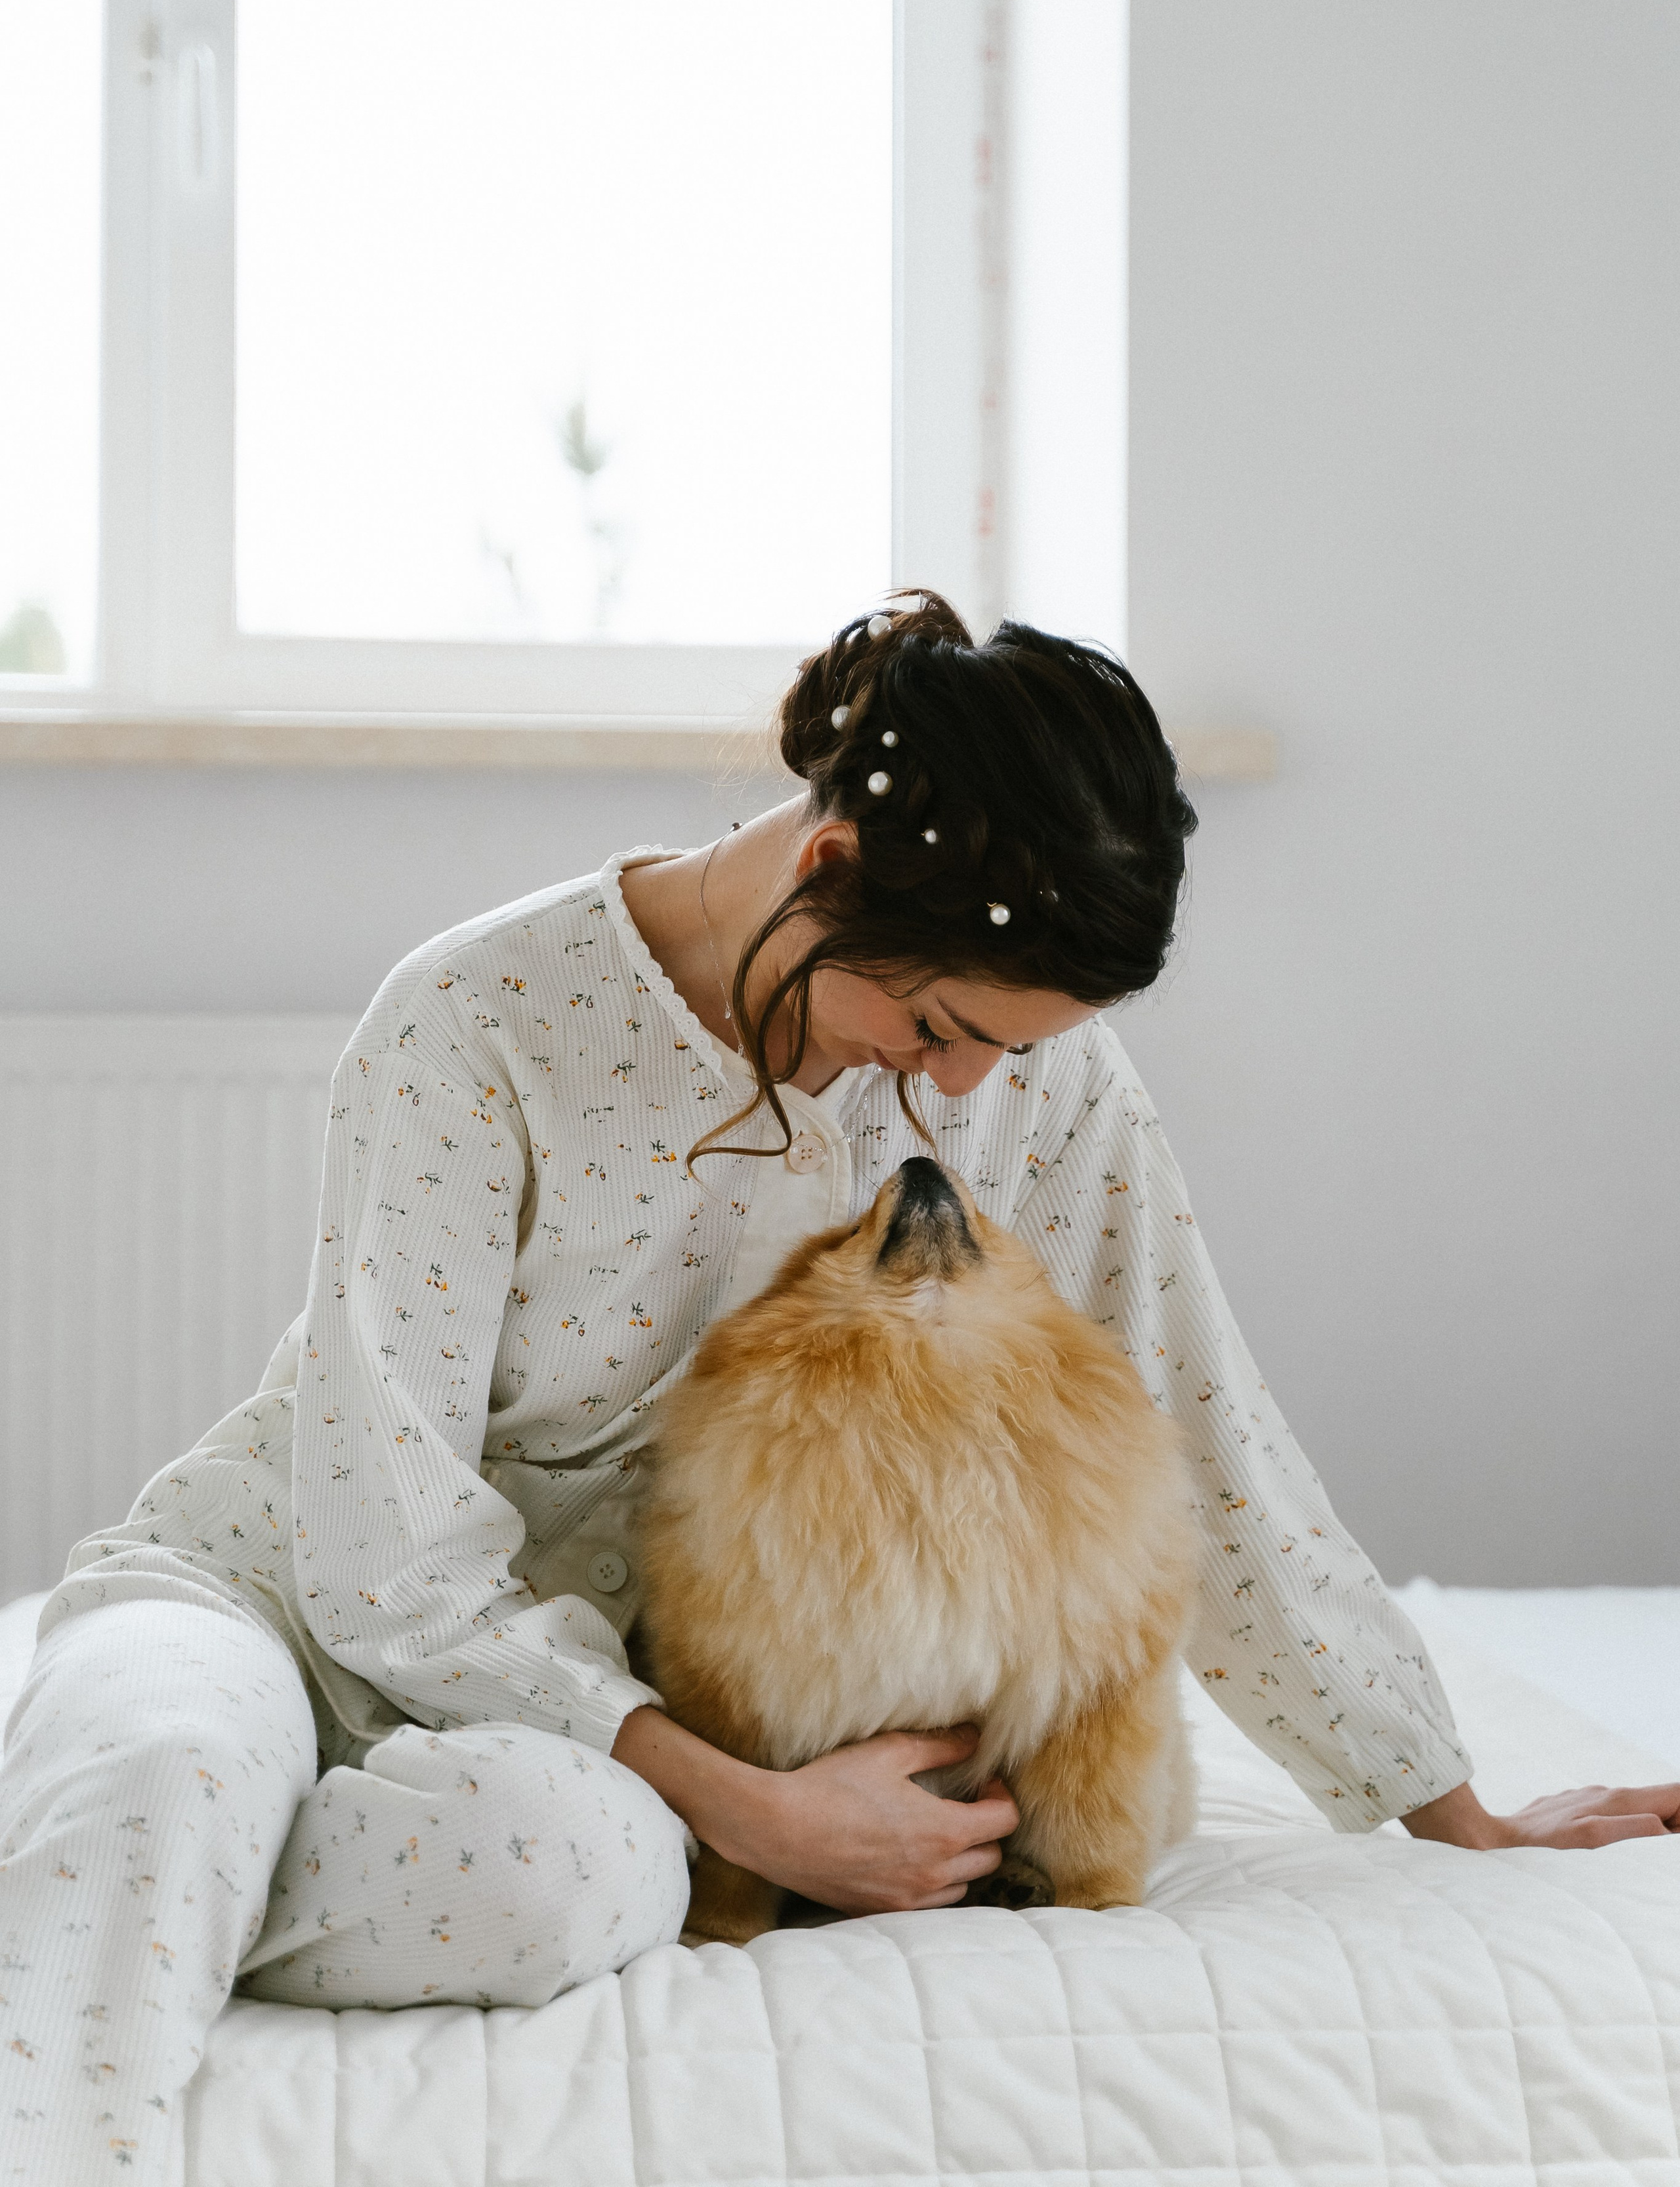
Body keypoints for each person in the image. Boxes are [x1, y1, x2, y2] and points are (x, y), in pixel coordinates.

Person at [3, 596, 1674, 2183]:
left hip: (594, 1730)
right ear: (827, 864)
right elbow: (382, 1553)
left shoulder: (1027, 1084)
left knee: (556, 1876)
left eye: (1004, 1053)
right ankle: (159, 1842)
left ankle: (183, 1886)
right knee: (156, 1776)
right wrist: (760, 1816)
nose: (964, 1087)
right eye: (940, 1023)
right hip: (281, 1591)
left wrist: (1448, 1811)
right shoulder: (474, 1021)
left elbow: (1197, 1429)